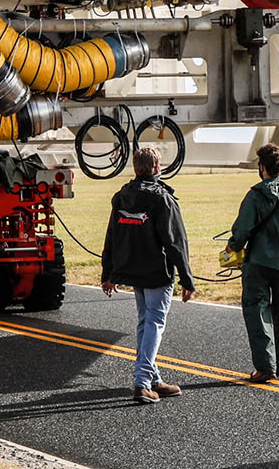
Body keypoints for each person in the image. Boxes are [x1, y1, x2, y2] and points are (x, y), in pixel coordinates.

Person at [100, 146, 196, 404]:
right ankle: (142, 382)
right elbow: (176, 242)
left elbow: (112, 236)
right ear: (156, 168)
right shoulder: (162, 199)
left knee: (145, 322)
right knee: (154, 322)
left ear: (135, 168)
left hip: (132, 271)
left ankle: (154, 380)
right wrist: (187, 279)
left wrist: (107, 273)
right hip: (156, 273)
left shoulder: (122, 196)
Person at [228, 143, 279, 384]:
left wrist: (234, 246)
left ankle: (265, 367)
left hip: (258, 262)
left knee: (257, 311)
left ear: (261, 167)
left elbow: (242, 229)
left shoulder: (254, 195)